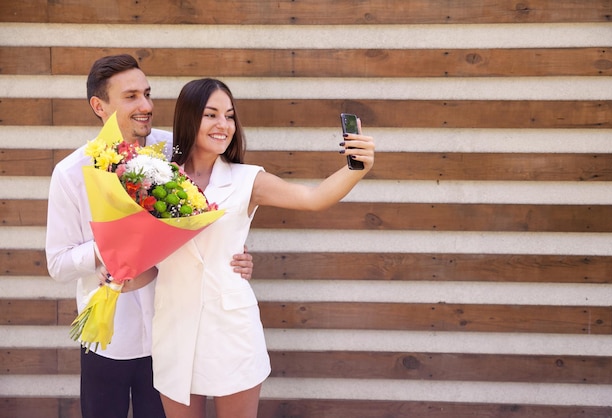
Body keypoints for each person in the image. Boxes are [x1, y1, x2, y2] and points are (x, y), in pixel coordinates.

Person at [150, 78, 375, 418]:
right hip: (174, 327)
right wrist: (115, 275)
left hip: (230, 329)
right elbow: (145, 258)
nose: (223, 125)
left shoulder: (248, 179)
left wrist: (355, 169)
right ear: (188, 118)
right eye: (211, 115)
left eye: (229, 116)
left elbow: (313, 199)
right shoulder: (157, 180)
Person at [45, 55, 254, 418]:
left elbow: (216, 204)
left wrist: (233, 254)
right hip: (106, 338)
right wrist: (111, 247)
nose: (146, 106)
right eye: (131, 97)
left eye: (147, 93)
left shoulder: (176, 151)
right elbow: (57, 264)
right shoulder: (70, 173)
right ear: (99, 106)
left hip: (170, 339)